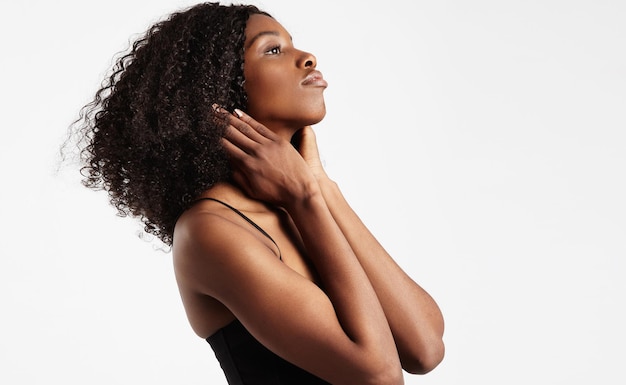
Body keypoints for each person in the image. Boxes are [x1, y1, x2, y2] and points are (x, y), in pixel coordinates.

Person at [70, 2, 444, 384]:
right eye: (273, 50)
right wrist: (306, 199)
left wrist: (319, 186)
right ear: (218, 86)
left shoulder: (297, 205)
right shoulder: (209, 231)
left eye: (293, 45)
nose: (308, 58)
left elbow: (424, 349)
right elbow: (379, 376)